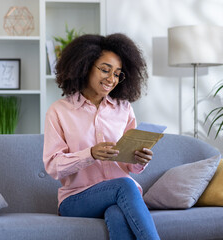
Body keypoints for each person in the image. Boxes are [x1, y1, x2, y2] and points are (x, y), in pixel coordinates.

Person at [43, 33, 160, 240]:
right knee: (125, 185)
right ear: (85, 66)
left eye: (117, 74)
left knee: (116, 213)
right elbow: (53, 166)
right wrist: (90, 154)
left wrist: (139, 160)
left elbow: (130, 167)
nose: (111, 79)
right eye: (105, 70)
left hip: (119, 198)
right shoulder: (59, 111)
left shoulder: (124, 109)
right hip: (77, 200)